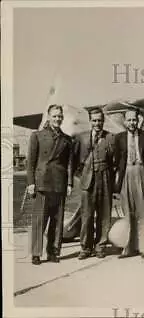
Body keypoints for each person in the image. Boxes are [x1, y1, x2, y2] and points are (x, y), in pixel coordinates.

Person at [26, 104, 73, 265]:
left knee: (57, 220)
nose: (57, 119)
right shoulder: (37, 136)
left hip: (59, 183)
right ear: (48, 117)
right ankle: (36, 253)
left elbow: (69, 165)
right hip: (42, 183)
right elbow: (30, 162)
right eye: (54, 116)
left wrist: (70, 184)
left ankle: (53, 252)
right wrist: (31, 183)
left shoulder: (67, 140)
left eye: (60, 116)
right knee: (39, 220)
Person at [114, 110, 144, 258]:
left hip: (140, 172)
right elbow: (117, 158)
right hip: (126, 173)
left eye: (134, 120)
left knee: (142, 212)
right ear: (125, 121)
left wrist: (143, 171)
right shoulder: (119, 138)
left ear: (137, 121)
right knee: (128, 212)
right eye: (129, 120)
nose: (132, 123)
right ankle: (128, 248)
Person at [73, 108, 114, 259]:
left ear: (103, 121)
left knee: (104, 215)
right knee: (87, 215)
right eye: (94, 120)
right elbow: (75, 161)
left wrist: (108, 176)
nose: (97, 123)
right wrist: (82, 176)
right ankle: (85, 248)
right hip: (87, 181)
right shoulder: (81, 138)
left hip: (104, 179)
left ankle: (100, 246)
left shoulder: (110, 137)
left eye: (100, 120)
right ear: (90, 121)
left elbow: (114, 161)